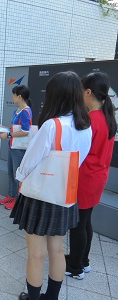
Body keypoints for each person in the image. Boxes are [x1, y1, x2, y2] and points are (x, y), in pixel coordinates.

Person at [10, 71, 92, 300]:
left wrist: (20, 178)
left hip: (40, 195)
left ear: (56, 95)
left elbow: (28, 163)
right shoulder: (86, 125)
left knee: (36, 254)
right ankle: (51, 297)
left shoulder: (52, 126)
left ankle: (33, 298)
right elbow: (79, 160)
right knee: (56, 249)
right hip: (64, 193)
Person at [65, 72, 117, 280]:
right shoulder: (108, 117)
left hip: (85, 178)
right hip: (98, 177)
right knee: (85, 222)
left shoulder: (90, 120)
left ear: (88, 92)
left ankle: (76, 267)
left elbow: (78, 151)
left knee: (78, 225)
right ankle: (83, 261)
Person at [0, 85, 33, 210]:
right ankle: (11, 196)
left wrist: (8, 134)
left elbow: (25, 131)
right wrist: (2, 128)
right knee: (11, 173)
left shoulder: (25, 111)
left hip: (19, 148)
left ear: (19, 96)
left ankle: (18, 201)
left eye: (14, 94)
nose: (12, 97)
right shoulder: (17, 110)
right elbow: (14, 128)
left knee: (17, 174)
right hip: (12, 145)